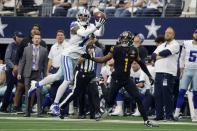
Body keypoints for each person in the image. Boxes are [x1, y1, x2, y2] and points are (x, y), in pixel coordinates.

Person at [28, 8, 105, 116]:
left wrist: (101, 24)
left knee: (57, 76)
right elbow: (83, 33)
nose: (83, 17)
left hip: (75, 57)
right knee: (68, 80)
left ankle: (36, 84)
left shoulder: (91, 26)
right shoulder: (74, 24)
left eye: (85, 16)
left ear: (88, 18)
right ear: (78, 16)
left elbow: (100, 33)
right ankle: (55, 105)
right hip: (68, 55)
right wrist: (96, 26)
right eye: (81, 15)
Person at [82, 31, 158, 127]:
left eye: (126, 39)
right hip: (116, 78)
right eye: (123, 38)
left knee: (138, 97)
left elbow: (142, 64)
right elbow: (103, 59)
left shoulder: (134, 50)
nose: (125, 40)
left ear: (130, 40)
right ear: (120, 39)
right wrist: (91, 58)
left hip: (127, 79)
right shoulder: (115, 48)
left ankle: (146, 121)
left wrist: (149, 75)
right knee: (109, 101)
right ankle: (101, 83)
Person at [151, 27, 180, 121]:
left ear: (173, 35)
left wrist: (158, 56)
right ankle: (159, 115)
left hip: (168, 73)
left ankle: (169, 115)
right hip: (158, 72)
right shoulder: (162, 44)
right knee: (158, 95)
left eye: (170, 33)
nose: (167, 34)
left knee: (167, 94)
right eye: (166, 32)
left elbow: (166, 53)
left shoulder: (175, 44)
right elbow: (153, 56)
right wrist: (159, 56)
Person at [17, 32, 48, 117]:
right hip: (28, 73)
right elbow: (22, 61)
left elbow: (45, 64)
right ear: (32, 39)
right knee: (28, 93)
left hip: (38, 74)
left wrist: (45, 74)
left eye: (38, 38)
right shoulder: (26, 49)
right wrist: (19, 72)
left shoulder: (44, 50)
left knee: (39, 93)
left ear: (40, 40)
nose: (37, 40)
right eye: (35, 38)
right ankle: (27, 113)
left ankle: (39, 112)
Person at [174, 29, 197, 122]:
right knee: (181, 92)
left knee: (196, 94)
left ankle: (195, 116)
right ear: (193, 34)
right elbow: (182, 57)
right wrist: (181, 69)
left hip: (196, 71)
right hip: (187, 70)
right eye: (196, 33)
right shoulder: (186, 43)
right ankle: (176, 114)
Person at [0, 31, 24, 112]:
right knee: (9, 89)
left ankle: (17, 107)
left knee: (20, 88)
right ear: (15, 37)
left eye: (21, 37)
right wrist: (14, 67)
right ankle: (4, 107)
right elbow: (7, 59)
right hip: (11, 71)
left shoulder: (22, 47)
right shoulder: (11, 46)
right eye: (18, 37)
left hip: (20, 71)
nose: (20, 38)